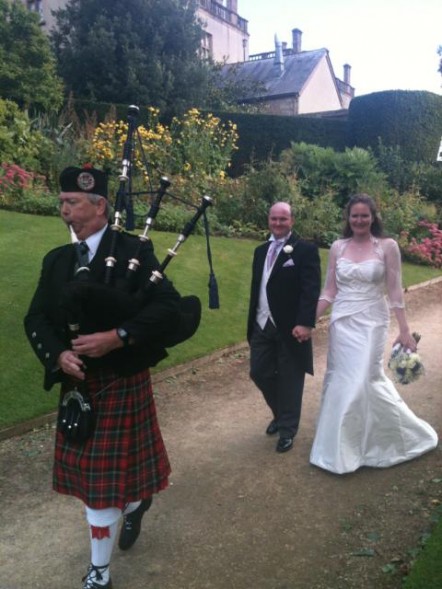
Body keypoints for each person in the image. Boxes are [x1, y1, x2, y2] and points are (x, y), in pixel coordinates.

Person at [24, 165, 181, 588]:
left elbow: (169, 307)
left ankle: (99, 571)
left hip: (119, 381)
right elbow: (35, 317)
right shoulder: (56, 260)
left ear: (100, 206)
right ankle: (134, 503)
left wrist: (119, 336)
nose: (64, 213)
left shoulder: (134, 250)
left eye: (72, 203)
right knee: (102, 483)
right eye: (61, 203)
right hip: (78, 387)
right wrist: (57, 355)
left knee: (99, 489)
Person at [310, 193, 438, 474]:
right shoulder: (337, 247)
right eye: (354, 216)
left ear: (373, 217)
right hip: (342, 321)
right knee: (343, 380)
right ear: (348, 218)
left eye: (364, 215)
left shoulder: (387, 246)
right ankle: (341, 448)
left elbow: (394, 290)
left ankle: (397, 439)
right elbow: (330, 290)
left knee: (363, 379)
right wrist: (310, 320)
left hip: (372, 321)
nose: (359, 220)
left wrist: (404, 330)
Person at [247, 202, 321, 453]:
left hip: (291, 327)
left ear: (292, 221)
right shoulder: (260, 251)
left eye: (283, 219)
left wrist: (305, 322)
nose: (278, 223)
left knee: (291, 379)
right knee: (259, 372)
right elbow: (259, 287)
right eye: (274, 219)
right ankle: (281, 414)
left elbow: (310, 289)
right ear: (268, 220)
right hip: (261, 323)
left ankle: (287, 429)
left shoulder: (305, 250)